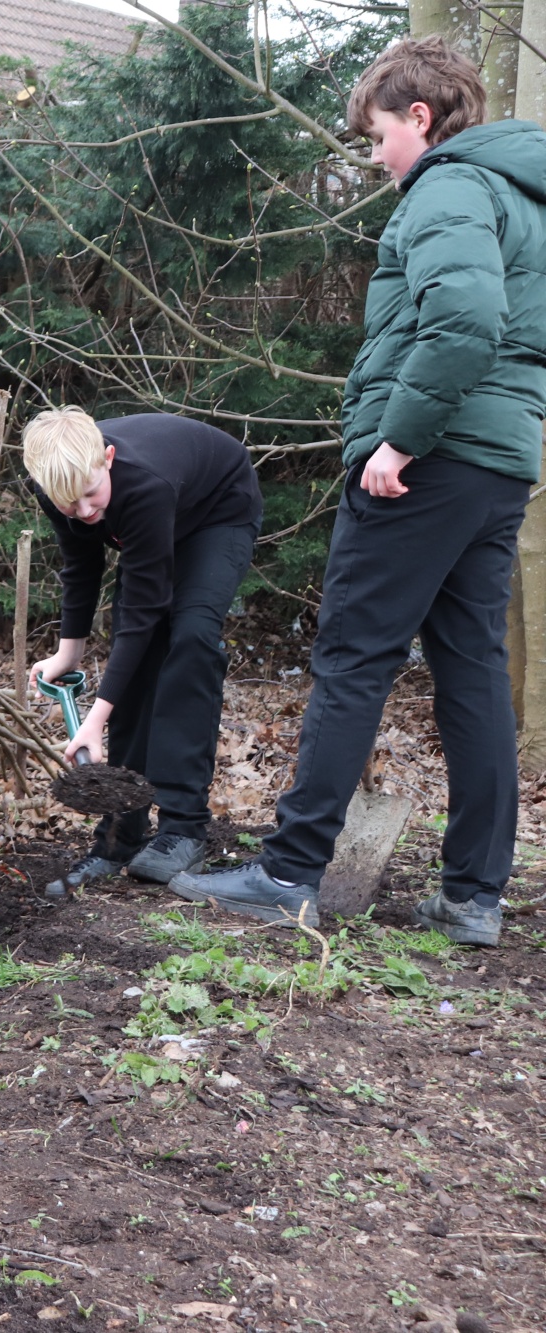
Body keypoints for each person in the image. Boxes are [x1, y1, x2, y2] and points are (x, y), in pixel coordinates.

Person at [173, 37, 546, 943]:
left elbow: (464, 324)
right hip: (499, 463)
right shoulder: (523, 199)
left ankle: (291, 869)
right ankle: (473, 896)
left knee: (351, 656)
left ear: (419, 119)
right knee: (470, 668)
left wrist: (398, 440)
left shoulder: (451, 187)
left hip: (430, 460)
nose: (374, 156)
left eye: (377, 135)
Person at [23, 410, 262, 897]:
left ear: (107, 459)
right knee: (138, 653)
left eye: (92, 495)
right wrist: (69, 654)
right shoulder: (59, 486)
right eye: (70, 504)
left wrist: (96, 717)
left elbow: (144, 610)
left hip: (218, 510)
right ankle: (118, 838)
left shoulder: (144, 484)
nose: (87, 512)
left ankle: (183, 828)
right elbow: (81, 566)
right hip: (156, 523)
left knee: (191, 639)